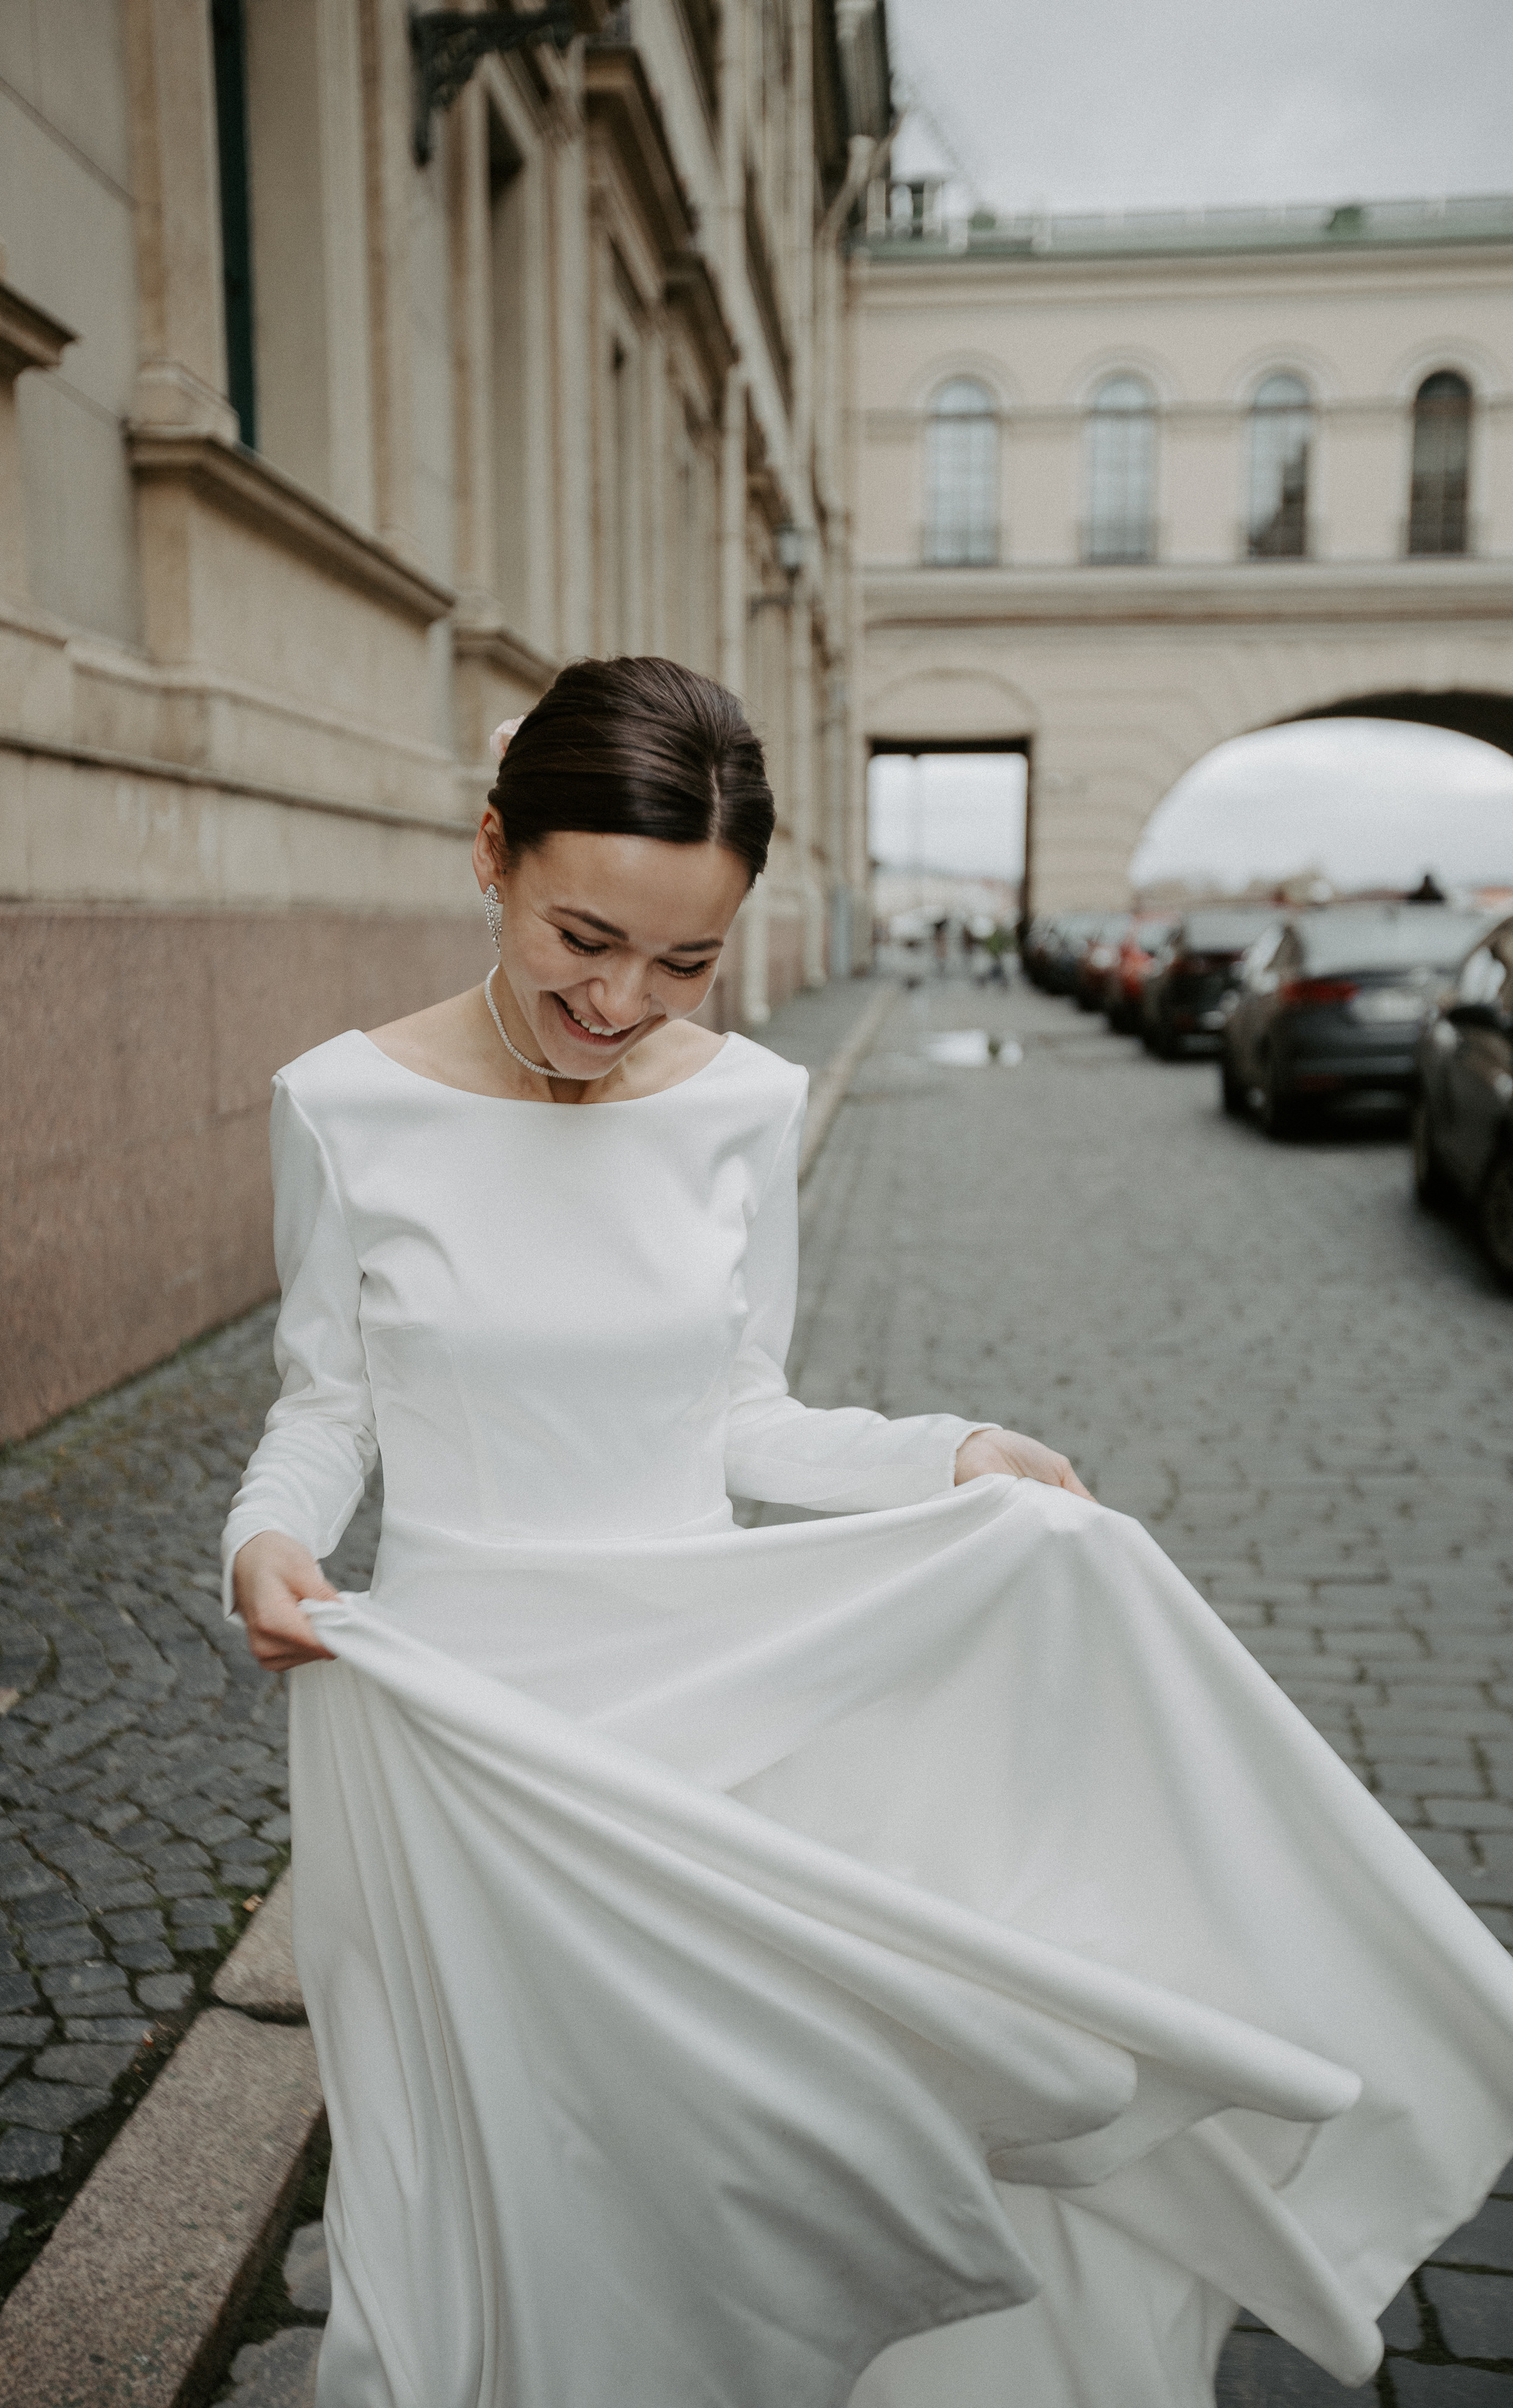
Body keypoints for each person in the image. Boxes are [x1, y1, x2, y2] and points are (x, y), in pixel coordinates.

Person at [226, 657, 1513, 2408]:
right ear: (493, 857)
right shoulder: (340, 1103)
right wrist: (265, 1540)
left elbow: (746, 1415)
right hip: (463, 1740)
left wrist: (958, 1454)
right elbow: (328, 1405)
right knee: (502, 2179)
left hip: (709, 1726)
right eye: (584, 938)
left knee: (714, 2182)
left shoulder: (744, 1104)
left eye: (685, 960)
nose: (624, 1000)